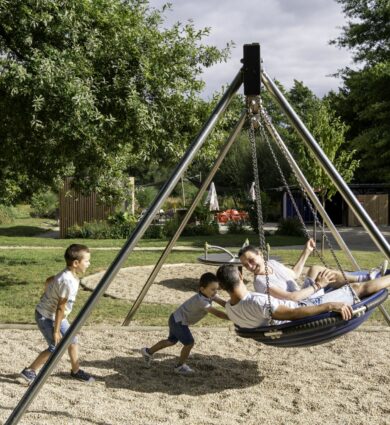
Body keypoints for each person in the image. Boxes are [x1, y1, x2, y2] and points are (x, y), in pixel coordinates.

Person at [216, 264, 390, 329]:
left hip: (298, 308)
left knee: (319, 273)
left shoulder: (230, 310)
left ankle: (372, 275)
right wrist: (329, 306)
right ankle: (372, 277)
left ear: (222, 286)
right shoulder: (258, 301)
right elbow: (293, 313)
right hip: (304, 313)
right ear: (240, 277)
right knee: (358, 288)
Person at [20, 244, 94, 384]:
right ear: (76, 263)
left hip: (56, 316)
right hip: (47, 317)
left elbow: (50, 280)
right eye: (87, 261)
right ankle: (29, 371)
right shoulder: (67, 281)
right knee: (55, 347)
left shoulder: (68, 275)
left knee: (72, 341)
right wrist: (55, 331)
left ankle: (75, 371)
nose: (89, 263)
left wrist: (47, 292)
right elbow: (60, 307)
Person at [238, 240, 388, 302]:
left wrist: (306, 252)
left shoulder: (271, 263)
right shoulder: (261, 282)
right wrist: (318, 286)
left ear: (260, 255)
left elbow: (294, 274)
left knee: (315, 268)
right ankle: (371, 279)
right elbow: (292, 298)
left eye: (251, 260)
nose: (250, 266)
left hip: (306, 292)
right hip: (304, 303)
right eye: (246, 265)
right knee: (355, 290)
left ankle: (368, 276)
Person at [140, 272, 228, 375]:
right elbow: (217, 313)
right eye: (213, 289)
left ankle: (147, 352)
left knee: (171, 341)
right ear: (202, 289)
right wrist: (231, 317)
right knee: (189, 343)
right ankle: (180, 366)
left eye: (216, 289)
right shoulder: (201, 301)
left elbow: (222, 302)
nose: (215, 292)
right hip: (178, 322)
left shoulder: (210, 295)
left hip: (175, 319)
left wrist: (234, 308)